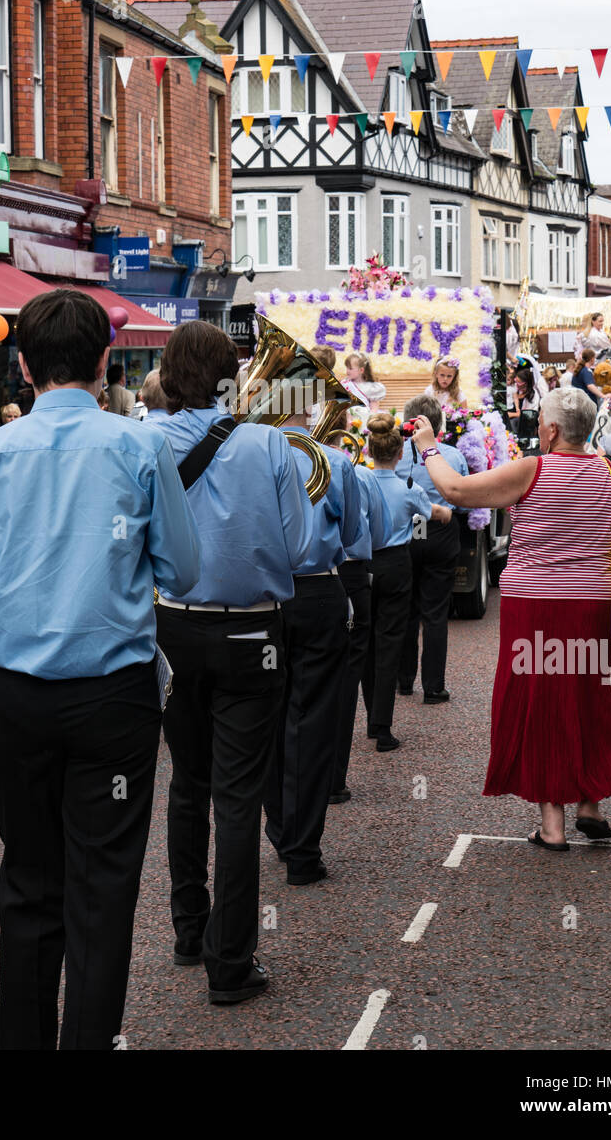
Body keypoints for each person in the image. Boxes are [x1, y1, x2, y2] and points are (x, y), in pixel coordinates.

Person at [0, 288, 200, 1051]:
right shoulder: (139, 445)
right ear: (103, 361)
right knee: (102, 886)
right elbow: (183, 572)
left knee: (29, 876)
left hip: (16, 692)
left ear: (22, 364)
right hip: (112, 695)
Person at [409, 388, 611, 850]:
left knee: (539, 699)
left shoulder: (533, 469)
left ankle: (552, 825)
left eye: (542, 419)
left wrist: (427, 447)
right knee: (585, 693)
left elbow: (457, 490)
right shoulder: (608, 470)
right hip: (592, 601)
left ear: (553, 429)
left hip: (535, 602)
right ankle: (590, 802)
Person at [154, 321, 312, 1005]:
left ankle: (189, 932)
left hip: (168, 632)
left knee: (186, 786)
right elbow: (301, 550)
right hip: (252, 634)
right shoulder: (268, 443)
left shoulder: (145, 441)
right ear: (230, 376)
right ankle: (230, 961)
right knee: (237, 799)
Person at [264, 393, 363, 884]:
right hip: (319, 589)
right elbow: (354, 532)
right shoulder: (335, 462)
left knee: (267, 715)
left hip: (263, 595)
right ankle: (302, 851)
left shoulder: (247, 452)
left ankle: (281, 830)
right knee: (315, 718)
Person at [362, 414, 433, 750]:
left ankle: (370, 716)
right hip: (396, 562)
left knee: (365, 642)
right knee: (390, 641)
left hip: (365, 563)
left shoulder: (360, 480)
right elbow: (429, 513)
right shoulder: (409, 488)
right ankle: (381, 725)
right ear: (400, 454)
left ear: (368, 449)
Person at [397, 393, 468, 703]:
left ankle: (403, 680)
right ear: (438, 426)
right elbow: (464, 502)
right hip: (441, 530)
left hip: (407, 531)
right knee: (436, 613)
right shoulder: (452, 456)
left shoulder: (396, 454)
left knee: (407, 609)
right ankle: (434, 686)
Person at [330, 451, 390, 802]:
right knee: (345, 680)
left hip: (295, 580)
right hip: (350, 574)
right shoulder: (357, 473)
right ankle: (334, 780)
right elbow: (378, 535)